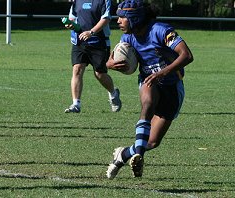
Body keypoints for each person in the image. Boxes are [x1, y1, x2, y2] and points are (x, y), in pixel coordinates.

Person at [105, 0, 193, 179]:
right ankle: (139, 156)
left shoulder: (161, 30)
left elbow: (187, 55)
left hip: (172, 86)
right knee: (148, 104)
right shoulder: (127, 38)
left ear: (134, 18)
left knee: (152, 142)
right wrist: (111, 64)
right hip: (148, 80)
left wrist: (162, 73)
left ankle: (123, 154)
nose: (118, 21)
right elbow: (109, 61)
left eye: (122, 18)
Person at [64, 0, 122, 113]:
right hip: (79, 42)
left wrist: (91, 32)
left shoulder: (104, 1)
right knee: (77, 69)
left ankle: (113, 93)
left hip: (98, 43)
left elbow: (105, 19)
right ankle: (76, 104)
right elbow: (72, 17)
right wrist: (70, 24)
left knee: (99, 74)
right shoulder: (77, 1)